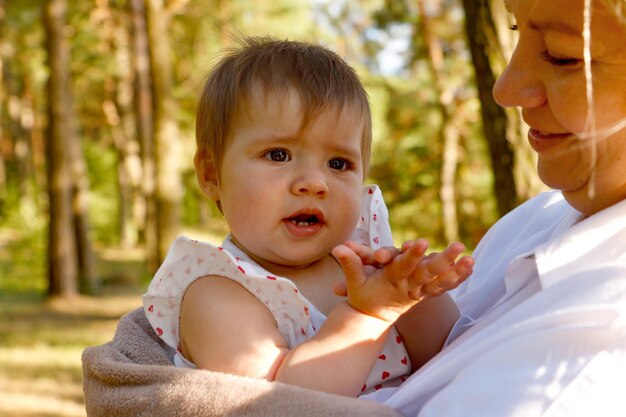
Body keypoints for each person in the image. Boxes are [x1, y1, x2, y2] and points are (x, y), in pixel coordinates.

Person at [143, 36, 474, 398]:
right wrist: (367, 317)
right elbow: (280, 404)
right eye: (278, 155)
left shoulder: (364, 264)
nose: (315, 183)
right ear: (211, 175)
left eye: (338, 164)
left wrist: (415, 296)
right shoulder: (218, 292)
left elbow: (448, 357)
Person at [365, 0, 626, 415]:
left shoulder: (605, 335)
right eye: (516, 30)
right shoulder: (533, 221)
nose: (504, 89)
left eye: (562, 56)